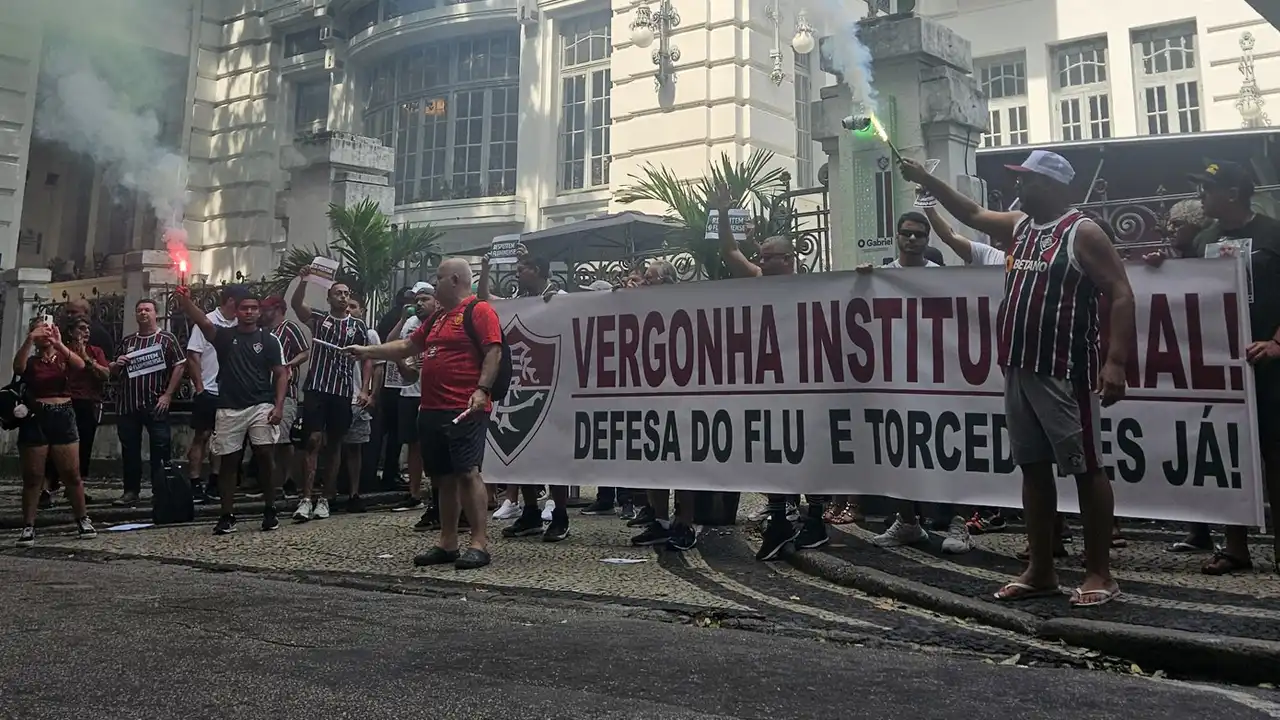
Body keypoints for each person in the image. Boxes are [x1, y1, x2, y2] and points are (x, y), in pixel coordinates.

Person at [902, 150, 1135, 607]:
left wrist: (1117, 362)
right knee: (1032, 467)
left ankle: (1099, 573)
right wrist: (926, 180)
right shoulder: (1020, 227)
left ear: (1049, 186)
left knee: (1086, 468)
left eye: (1026, 180)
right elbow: (969, 212)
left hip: (1065, 369)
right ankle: (1041, 570)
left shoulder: (1082, 232)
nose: (1018, 187)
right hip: (1019, 367)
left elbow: (1121, 293)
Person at [347, 258, 496, 570]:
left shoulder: (478, 311)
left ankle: (479, 543)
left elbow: (494, 350)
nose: (433, 283)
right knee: (442, 477)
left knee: (468, 472)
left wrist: (482, 389)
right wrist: (367, 351)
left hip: (463, 407)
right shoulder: (439, 318)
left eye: (438, 278)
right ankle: (448, 542)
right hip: (430, 407)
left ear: (454, 280)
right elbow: (408, 345)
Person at [1173, 161, 1280, 574]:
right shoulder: (1204, 239)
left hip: (1271, 369)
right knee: (1230, 457)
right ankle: (1235, 547)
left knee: (1276, 457)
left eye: (1207, 187)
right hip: (1223, 370)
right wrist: (1159, 269)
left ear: (1233, 192)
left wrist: (1276, 343)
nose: (1201, 195)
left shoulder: (1274, 233)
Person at [712, 181, 829, 560]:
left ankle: (815, 520)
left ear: (789, 260)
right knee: (773, 452)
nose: (761, 263)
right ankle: (779, 519)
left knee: (808, 453)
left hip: (806, 384)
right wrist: (726, 212)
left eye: (768, 257)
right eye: (760, 257)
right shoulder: (760, 282)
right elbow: (729, 250)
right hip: (770, 383)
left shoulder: (814, 287)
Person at [854, 212, 973, 554]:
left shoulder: (942, 278)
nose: (912, 240)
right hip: (895, 379)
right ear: (896, 236)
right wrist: (863, 280)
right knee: (898, 451)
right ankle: (907, 522)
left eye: (919, 235)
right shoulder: (882, 275)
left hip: (938, 378)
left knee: (949, 450)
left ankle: (958, 522)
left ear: (927, 240)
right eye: (906, 233)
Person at [174, 287, 288, 534]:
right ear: (236, 311)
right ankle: (227, 514)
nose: (249, 312)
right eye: (244, 308)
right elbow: (203, 322)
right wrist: (186, 301)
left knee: (265, 456)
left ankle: (270, 508)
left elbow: (281, 373)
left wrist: (278, 406)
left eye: (254, 308)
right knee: (229, 461)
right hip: (229, 406)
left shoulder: (269, 340)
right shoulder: (225, 336)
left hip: (261, 404)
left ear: (259, 312)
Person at [478, 249, 572, 541]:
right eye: (517, 267)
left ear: (539, 270)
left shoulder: (562, 297)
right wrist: (484, 267)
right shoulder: (516, 301)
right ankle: (530, 512)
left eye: (524, 267)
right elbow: (485, 300)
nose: (518, 271)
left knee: (553, 457)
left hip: (553, 384)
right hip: (521, 383)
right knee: (522, 453)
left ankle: (560, 515)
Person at [290, 270, 371, 522]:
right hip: (316, 388)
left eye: (346, 294)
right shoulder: (319, 319)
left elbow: (367, 358)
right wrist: (303, 281)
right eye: (338, 293)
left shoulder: (357, 326)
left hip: (343, 391)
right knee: (313, 441)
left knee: (335, 444)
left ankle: (325, 498)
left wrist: (365, 388)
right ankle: (305, 498)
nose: (343, 297)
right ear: (329, 298)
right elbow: (296, 305)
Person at [13, 317, 94, 547]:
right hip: (36, 415)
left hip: (63, 414)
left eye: (47, 329)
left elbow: (80, 366)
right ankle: (28, 526)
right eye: (40, 330)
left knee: (71, 473)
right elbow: (18, 369)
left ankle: (82, 518)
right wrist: (30, 339)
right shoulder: (30, 359)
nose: (44, 334)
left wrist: (59, 343)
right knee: (33, 476)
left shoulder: (63, 356)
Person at [111, 300, 186, 508]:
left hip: (156, 403)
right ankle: (131, 491)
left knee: (160, 450)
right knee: (130, 451)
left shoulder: (166, 339)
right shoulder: (127, 342)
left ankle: (161, 490)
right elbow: (112, 368)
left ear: (156, 314)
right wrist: (117, 364)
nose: (143, 313)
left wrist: (168, 395)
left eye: (147, 310)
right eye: (140, 310)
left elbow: (179, 365)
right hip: (128, 404)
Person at [42, 318, 109, 509]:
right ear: (70, 332)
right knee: (57, 447)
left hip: (87, 402)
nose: (86, 332)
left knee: (84, 447)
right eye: (81, 328)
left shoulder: (95, 351)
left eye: (88, 329)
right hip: (65, 401)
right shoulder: (60, 350)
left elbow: (105, 375)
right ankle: (49, 487)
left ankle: (76, 488)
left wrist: (88, 361)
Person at [186, 286, 243, 502]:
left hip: (230, 389)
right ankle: (194, 480)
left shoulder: (240, 324)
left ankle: (216, 480)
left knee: (224, 437)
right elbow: (193, 355)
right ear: (230, 301)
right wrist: (199, 387)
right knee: (202, 435)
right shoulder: (207, 321)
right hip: (208, 387)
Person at [389, 282, 436, 518]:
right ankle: (414, 493)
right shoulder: (410, 324)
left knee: (434, 447)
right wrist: (402, 362)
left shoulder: (441, 323)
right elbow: (393, 344)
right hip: (410, 391)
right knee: (413, 445)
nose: (418, 304)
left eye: (424, 299)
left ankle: (435, 494)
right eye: (416, 300)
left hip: (433, 393)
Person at [260, 296, 309, 499]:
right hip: (265, 391)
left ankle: (286, 480)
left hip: (286, 390)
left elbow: (304, 352)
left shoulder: (289, 328)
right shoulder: (264, 332)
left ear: (277, 309)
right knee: (268, 438)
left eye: (266, 308)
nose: (262, 312)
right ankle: (272, 482)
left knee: (284, 438)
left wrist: (289, 364)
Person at [368, 286, 415, 493]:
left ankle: (384, 472)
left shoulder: (398, 317)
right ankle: (386, 473)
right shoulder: (397, 319)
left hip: (398, 384)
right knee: (392, 431)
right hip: (393, 383)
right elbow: (389, 343)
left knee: (390, 432)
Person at [340, 295, 381, 513]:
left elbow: (376, 365)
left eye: (353, 306)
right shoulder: (335, 329)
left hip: (358, 395)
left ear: (362, 310)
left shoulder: (369, 333)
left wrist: (372, 393)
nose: (349, 309)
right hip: (337, 394)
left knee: (355, 446)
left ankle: (354, 492)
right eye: (346, 306)